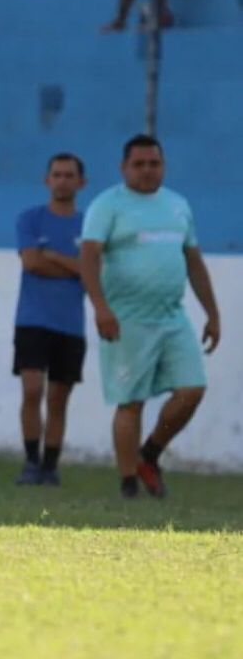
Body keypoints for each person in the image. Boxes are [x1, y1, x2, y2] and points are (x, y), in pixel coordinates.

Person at [80, 135, 219, 499]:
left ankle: (150, 454)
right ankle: (128, 482)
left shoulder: (177, 206)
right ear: (124, 167)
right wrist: (101, 307)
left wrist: (212, 313)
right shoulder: (107, 205)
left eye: (153, 163)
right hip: (126, 319)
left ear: (164, 166)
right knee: (130, 401)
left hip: (173, 317)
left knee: (192, 389)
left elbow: (193, 261)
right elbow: (89, 257)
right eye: (138, 164)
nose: (146, 170)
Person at [12, 154, 87, 486]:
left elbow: (92, 272)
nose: (62, 180)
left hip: (70, 324)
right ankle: (31, 461)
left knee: (59, 398)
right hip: (32, 320)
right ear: (47, 180)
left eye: (69, 175)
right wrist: (72, 264)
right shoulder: (30, 219)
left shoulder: (89, 225)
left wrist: (53, 257)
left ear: (81, 182)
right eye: (57, 174)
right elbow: (31, 263)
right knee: (32, 390)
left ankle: (50, 466)